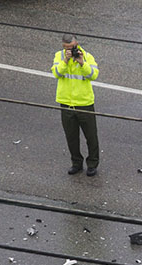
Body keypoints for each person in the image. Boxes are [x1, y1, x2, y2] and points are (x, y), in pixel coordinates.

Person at [51, 34, 100, 176]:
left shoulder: (87, 56)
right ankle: (76, 163)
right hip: (66, 103)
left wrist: (82, 63)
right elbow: (56, 73)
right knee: (71, 137)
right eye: (66, 48)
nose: (69, 50)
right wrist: (65, 61)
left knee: (91, 137)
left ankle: (92, 164)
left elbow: (93, 74)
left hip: (84, 103)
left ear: (76, 44)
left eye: (72, 47)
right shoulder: (59, 57)